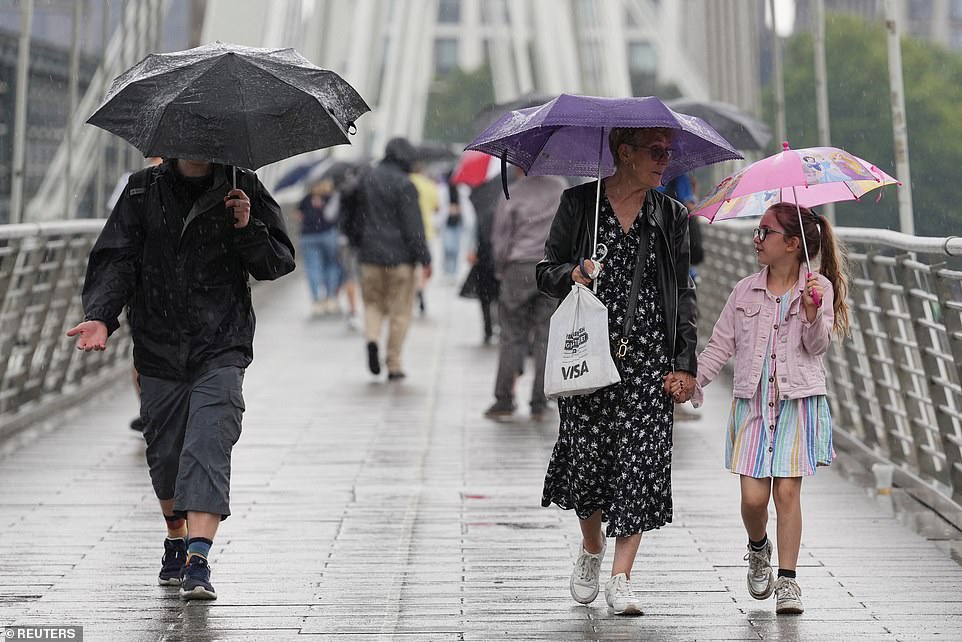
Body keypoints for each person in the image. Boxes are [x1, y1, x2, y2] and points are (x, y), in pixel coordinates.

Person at [66, 157, 295, 601]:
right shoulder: (140, 191)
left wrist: (248, 225)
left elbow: (276, 263)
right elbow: (117, 261)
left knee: (210, 441)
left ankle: (198, 559)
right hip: (158, 343)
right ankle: (176, 538)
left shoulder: (243, 186)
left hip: (221, 342)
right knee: (166, 454)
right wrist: (100, 317)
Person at [536, 127, 698, 615]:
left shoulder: (671, 215)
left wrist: (684, 364)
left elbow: (684, 294)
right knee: (587, 460)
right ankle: (591, 547)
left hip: (649, 356)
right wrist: (572, 275)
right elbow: (544, 271)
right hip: (589, 353)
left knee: (641, 462)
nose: (664, 161)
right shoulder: (579, 205)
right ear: (623, 153)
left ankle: (622, 578)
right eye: (655, 152)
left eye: (668, 153)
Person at [687, 202, 850, 615]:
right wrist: (694, 381)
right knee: (754, 498)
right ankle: (758, 547)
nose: (757, 240)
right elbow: (721, 342)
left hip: (797, 402)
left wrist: (813, 314)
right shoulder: (745, 290)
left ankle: (789, 580)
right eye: (757, 232)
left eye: (765, 233)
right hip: (754, 404)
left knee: (788, 492)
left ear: (792, 244)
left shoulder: (819, 289)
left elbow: (817, 347)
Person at [341, 137, 432, 380]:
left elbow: (352, 217)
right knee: (400, 312)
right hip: (400, 258)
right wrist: (424, 257)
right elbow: (414, 226)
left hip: (369, 256)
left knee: (372, 304)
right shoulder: (405, 184)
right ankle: (394, 362)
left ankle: (372, 339)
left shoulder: (366, 179)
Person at [484, 174, 565, 421]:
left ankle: (503, 400)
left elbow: (501, 236)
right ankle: (540, 402)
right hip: (551, 267)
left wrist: (501, 267)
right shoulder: (559, 187)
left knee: (511, 335)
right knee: (546, 337)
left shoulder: (513, 191)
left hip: (518, 267)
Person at [463, 174, 508, 344]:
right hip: (501, 259)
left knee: (485, 295)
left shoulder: (483, 208)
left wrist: (472, 251)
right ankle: (501, 327)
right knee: (502, 295)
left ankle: (488, 327)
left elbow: (474, 232)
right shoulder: (506, 205)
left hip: (484, 258)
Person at [294, 178, 342, 316]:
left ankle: (316, 302)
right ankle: (330, 298)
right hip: (328, 234)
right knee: (331, 265)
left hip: (308, 236)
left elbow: (298, 215)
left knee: (312, 267)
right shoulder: (330, 197)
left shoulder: (305, 199)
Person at [409, 161, 439, 316]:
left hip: (409, 232)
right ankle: (420, 288)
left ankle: (414, 288)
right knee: (425, 266)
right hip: (426, 231)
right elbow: (437, 207)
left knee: (412, 266)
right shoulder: (430, 185)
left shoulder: (406, 182)